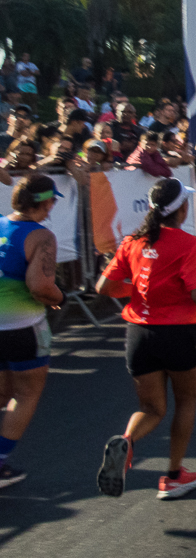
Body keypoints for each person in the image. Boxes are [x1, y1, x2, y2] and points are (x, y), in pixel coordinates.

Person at [95, 178, 196, 499]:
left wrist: (135, 290)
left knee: (151, 407)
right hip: (178, 333)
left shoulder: (132, 241)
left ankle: (127, 441)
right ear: (183, 209)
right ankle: (175, 476)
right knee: (186, 401)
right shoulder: (190, 245)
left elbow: (103, 288)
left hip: (139, 334)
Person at [0, 175, 66, 488]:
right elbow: (39, 286)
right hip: (23, 326)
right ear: (44, 202)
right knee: (26, 395)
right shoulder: (41, 236)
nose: (53, 206)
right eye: (52, 200)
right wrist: (59, 298)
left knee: (2, 391)